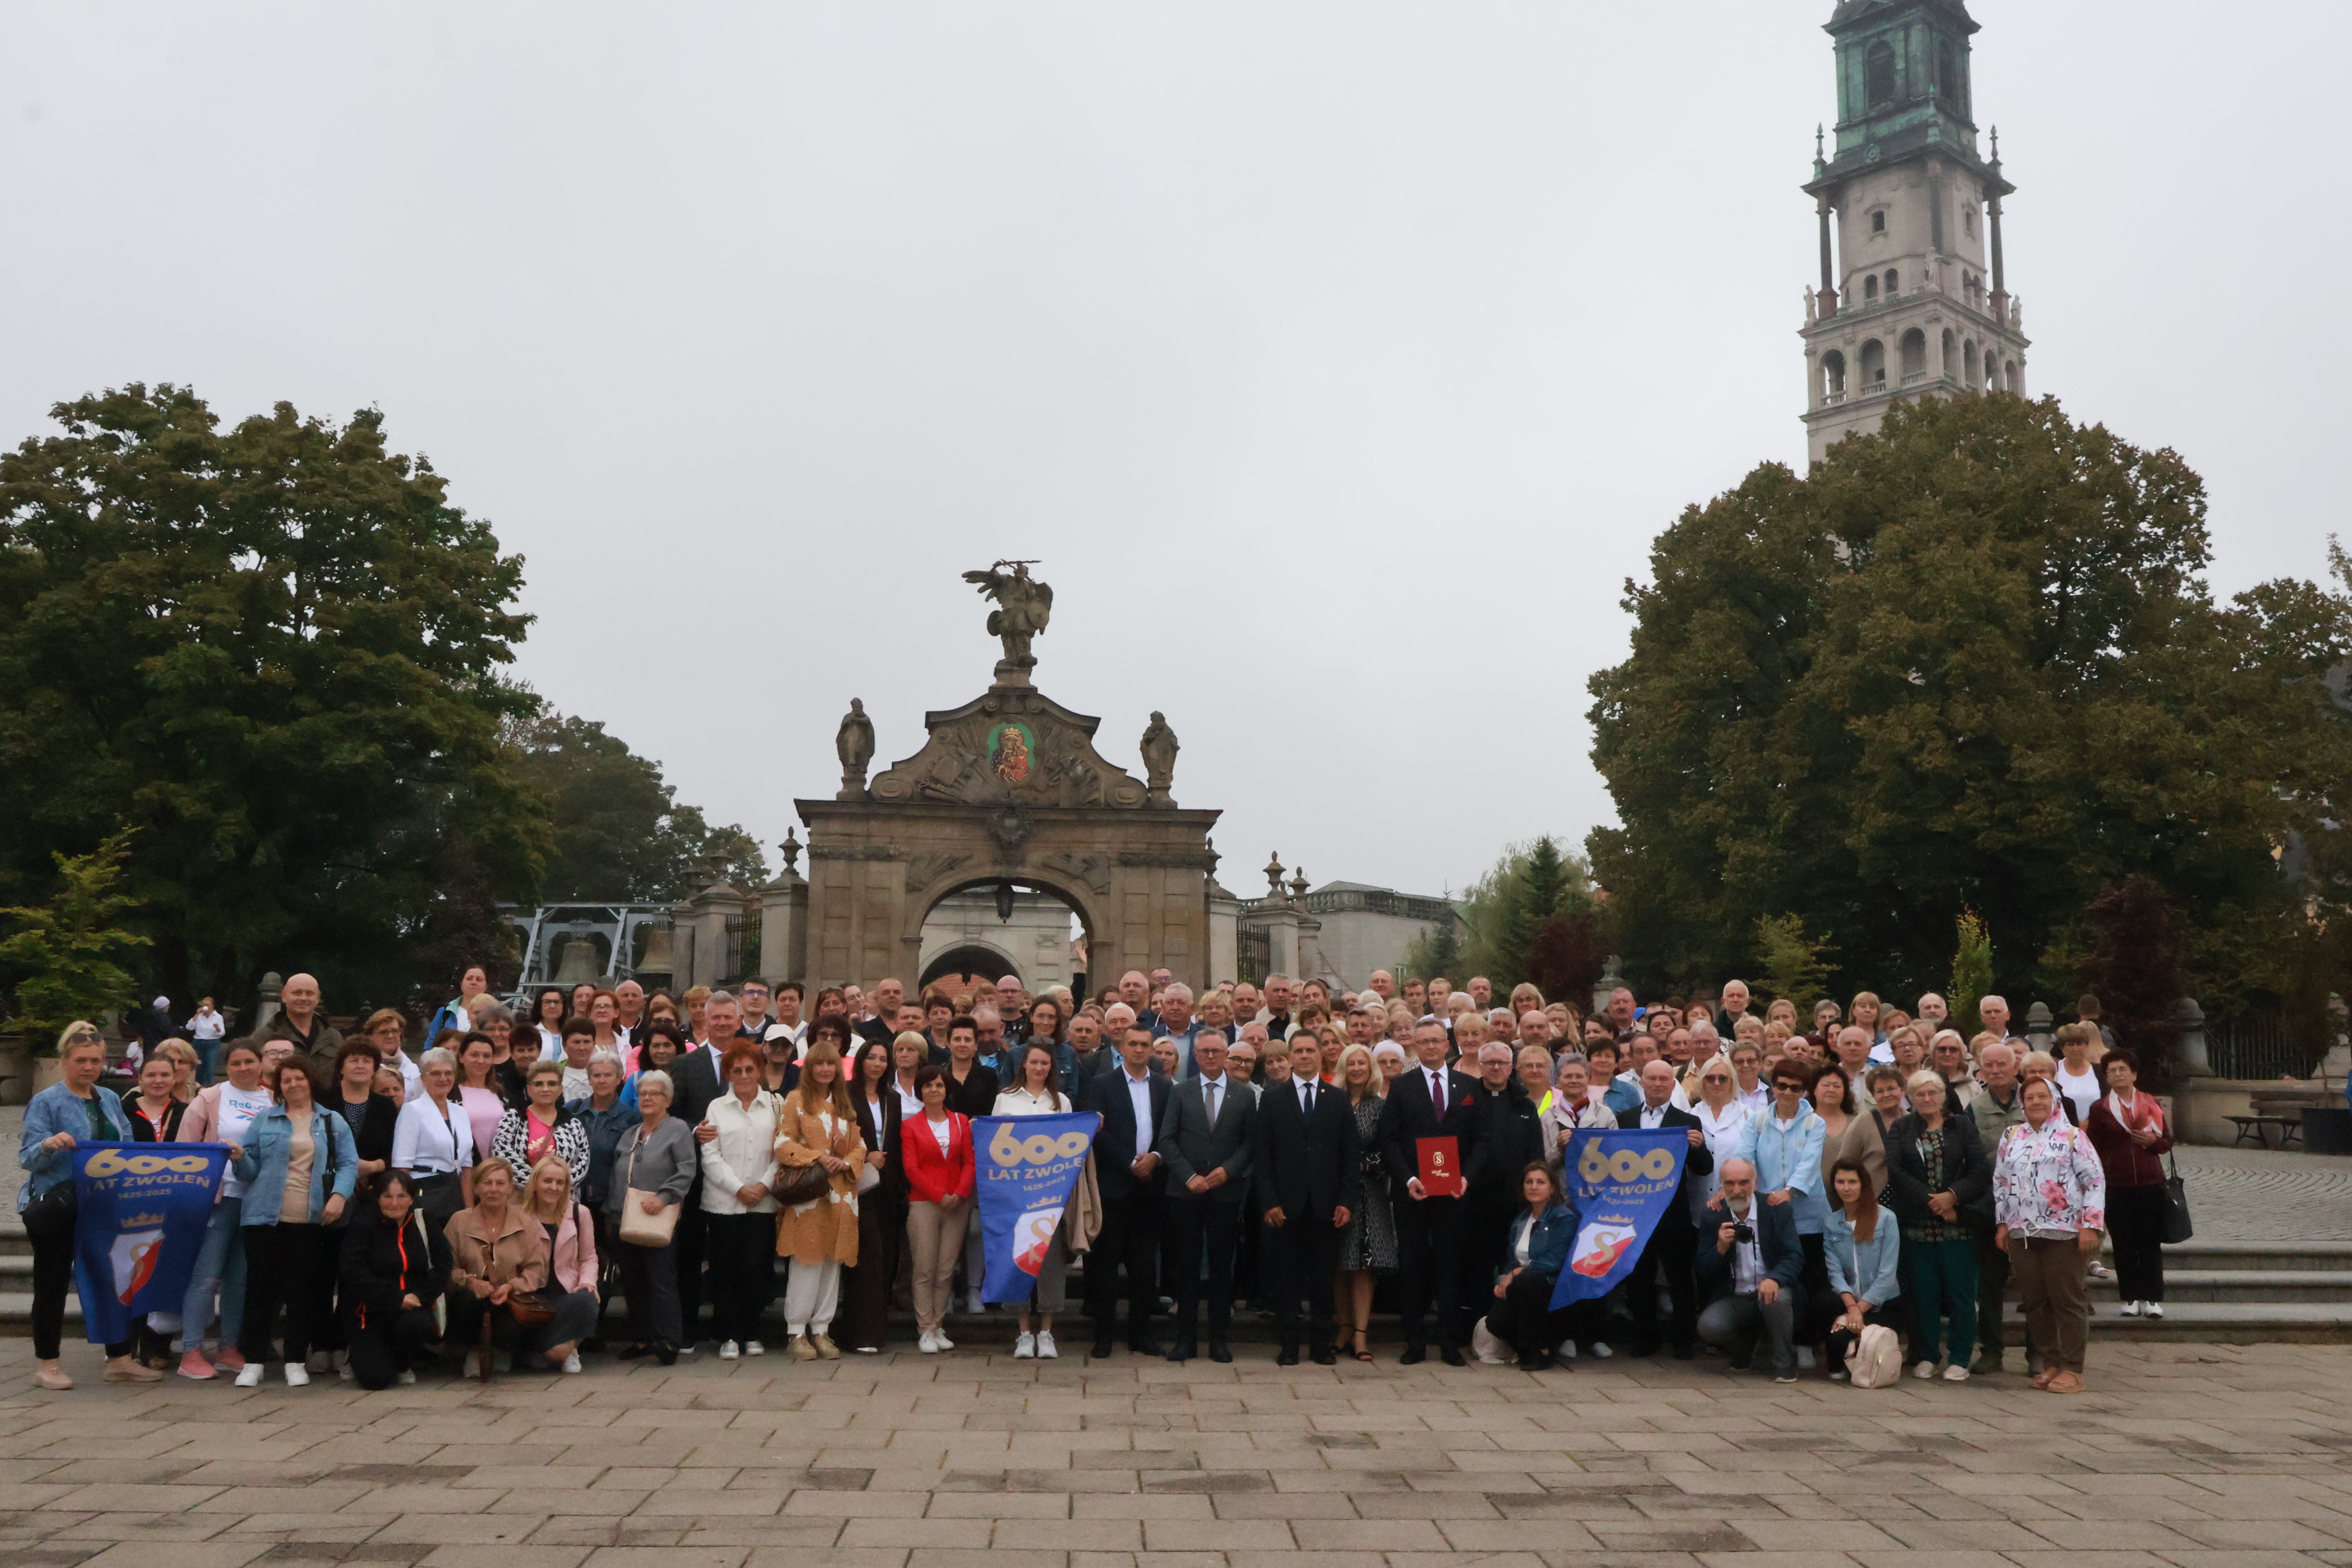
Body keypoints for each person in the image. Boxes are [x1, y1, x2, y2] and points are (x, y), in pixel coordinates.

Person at [19, 1025, 149, 1390]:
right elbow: (27, 1157)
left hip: (105, 1205)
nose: (89, 1067)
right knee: (52, 1283)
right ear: (64, 1062)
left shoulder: (109, 1098)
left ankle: (120, 1357)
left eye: (96, 1060)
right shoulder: (46, 1101)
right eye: (81, 1061)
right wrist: (50, 1144)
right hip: (59, 1204)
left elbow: (128, 1148)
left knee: (114, 1279)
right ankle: (48, 1364)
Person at [229, 1055, 359, 1388]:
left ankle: (295, 1359)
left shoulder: (332, 1121)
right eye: (286, 1080)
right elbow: (249, 1171)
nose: (293, 1085)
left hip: (313, 1218)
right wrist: (241, 1158)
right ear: (279, 1086)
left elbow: (348, 1164)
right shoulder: (264, 1120)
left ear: (310, 1081)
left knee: (304, 1291)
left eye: (299, 1078)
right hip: (265, 1218)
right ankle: (254, 1361)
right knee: (261, 1292)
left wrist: (339, 1196)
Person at [1252, 1030, 1363, 1366]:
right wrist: (1269, 1202)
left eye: (1309, 1050)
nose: (1304, 1056)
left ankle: (1320, 1345)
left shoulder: (1337, 1098)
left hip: (1327, 1206)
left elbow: (1350, 1154)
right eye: (1297, 1051)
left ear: (1320, 1055)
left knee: (1322, 1281)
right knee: (1286, 1280)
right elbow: (1263, 1156)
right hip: (1285, 1206)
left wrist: (1346, 1201)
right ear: (1290, 1057)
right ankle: (1288, 1345)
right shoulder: (1273, 1099)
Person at [1376, 1019, 1479, 1365]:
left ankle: (1450, 1342)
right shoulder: (1401, 1086)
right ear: (1415, 1047)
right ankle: (1415, 1341)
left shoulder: (1469, 1086)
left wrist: (1466, 1177)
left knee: (1451, 1266)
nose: (1432, 1047)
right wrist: (1407, 1179)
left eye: (1437, 1041)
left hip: (1455, 1193)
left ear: (1448, 1045)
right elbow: (1388, 1139)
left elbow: (1481, 1140)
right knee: (1414, 1267)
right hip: (1414, 1193)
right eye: (1424, 1042)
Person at [1994, 1076, 2106, 1393]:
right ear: (2022, 1101)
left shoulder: (2073, 1137)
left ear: (2054, 1099)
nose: (2037, 1102)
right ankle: (2052, 1362)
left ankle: (2073, 1368)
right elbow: (2001, 1182)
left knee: (2067, 1299)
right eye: (2030, 1097)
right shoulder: (2011, 1135)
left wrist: (2091, 1225)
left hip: (2066, 1232)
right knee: (2035, 1301)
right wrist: (2002, 1223)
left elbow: (2095, 1182)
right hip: (2022, 1232)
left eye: (2043, 1096)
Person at [1157, 1029, 1256, 1363]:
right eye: (1205, 1052)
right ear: (1195, 1056)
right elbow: (1167, 1140)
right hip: (1185, 1192)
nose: (1211, 1056)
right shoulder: (1181, 1093)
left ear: (1227, 1055)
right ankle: (1185, 1338)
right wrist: (1190, 1176)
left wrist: (1228, 1171)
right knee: (1185, 1267)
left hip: (1226, 1193)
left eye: (1217, 1051)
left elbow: (1249, 1143)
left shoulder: (1244, 1096)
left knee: (1220, 1268)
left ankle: (1218, 1338)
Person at [1887, 1070, 1989, 1380]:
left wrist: (1953, 1197)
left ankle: (1960, 1356)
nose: (1927, 1099)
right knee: (1924, 1295)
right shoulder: (1901, 1129)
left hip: (1957, 1225)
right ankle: (1928, 1354)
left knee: (1961, 1294)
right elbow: (1895, 1170)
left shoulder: (1962, 1126)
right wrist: (1931, 1199)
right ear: (1911, 1098)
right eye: (1920, 1094)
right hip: (1917, 1225)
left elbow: (1980, 1170)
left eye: (1933, 1093)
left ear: (1944, 1095)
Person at [1083, 1023, 1169, 1358]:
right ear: (1122, 1046)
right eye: (1132, 1044)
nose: (1138, 1050)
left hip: (1151, 1187)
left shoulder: (1164, 1087)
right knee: (1106, 1266)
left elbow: (1169, 1129)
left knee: (1144, 1267)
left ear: (1151, 1050)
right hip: (1115, 1186)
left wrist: (1156, 1158)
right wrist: (1129, 1162)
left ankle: (1141, 1334)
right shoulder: (1103, 1084)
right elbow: (1096, 1130)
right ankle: (1104, 1335)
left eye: (1144, 1045)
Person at [775, 1041, 865, 1360]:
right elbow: (784, 1144)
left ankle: (822, 1329)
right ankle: (796, 1331)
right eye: (819, 1063)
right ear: (809, 1067)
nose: (825, 1069)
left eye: (831, 1064)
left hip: (841, 1194)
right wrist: (819, 1158)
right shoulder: (797, 1101)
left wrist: (848, 1161)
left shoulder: (845, 1104)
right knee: (807, 1261)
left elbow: (861, 1145)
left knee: (831, 1262)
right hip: (810, 1196)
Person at [1734, 1062, 1830, 1359]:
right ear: (1773, 1086)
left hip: (1808, 1214)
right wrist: (1738, 1190)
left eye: (1796, 1087)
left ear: (1806, 1091)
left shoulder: (1816, 1123)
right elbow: (1744, 1156)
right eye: (1782, 1085)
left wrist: (1790, 1192)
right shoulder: (1758, 1120)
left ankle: (1804, 1343)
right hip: (1771, 1215)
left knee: (1811, 1283)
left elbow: (1810, 1163)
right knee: (1780, 1276)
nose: (1788, 1092)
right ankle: (1771, 1341)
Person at [1618, 1060, 1713, 1361]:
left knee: (1680, 1279)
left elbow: (1705, 1169)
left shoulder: (1687, 1121)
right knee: (1639, 1277)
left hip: (1673, 1213)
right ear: (1642, 1083)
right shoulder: (1625, 1119)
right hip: (1635, 1213)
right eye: (1652, 1079)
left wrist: (1698, 1148)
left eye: (1664, 1079)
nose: (1658, 1084)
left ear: (1674, 1085)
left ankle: (1684, 1340)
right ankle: (1646, 1338)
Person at [995, 1040, 1084, 1358]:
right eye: (1034, 1062)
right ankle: (1023, 1333)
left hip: (1051, 1195)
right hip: (1016, 1196)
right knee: (1019, 1260)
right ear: (1024, 1065)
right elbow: (995, 1145)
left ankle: (1046, 1332)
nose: (1039, 1068)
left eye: (1045, 1064)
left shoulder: (1061, 1102)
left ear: (1052, 1068)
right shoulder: (1004, 1100)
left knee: (1049, 1264)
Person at [694, 1043, 783, 1360]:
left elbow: (782, 1151)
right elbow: (711, 1155)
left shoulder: (776, 1105)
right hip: (724, 1204)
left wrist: (762, 1185)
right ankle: (729, 1335)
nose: (744, 1076)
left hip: (763, 1202)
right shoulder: (716, 1107)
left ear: (760, 1071)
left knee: (756, 1269)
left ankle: (752, 1332)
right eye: (737, 1070)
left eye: (750, 1069)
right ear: (728, 1074)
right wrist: (738, 1188)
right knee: (726, 1269)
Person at [608, 1069, 697, 1363]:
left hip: (659, 1216)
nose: (646, 1098)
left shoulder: (677, 1129)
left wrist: (663, 1197)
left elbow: (686, 1168)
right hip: (626, 1217)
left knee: (661, 1279)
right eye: (642, 1093)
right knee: (633, 1280)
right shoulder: (631, 1133)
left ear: (668, 1099)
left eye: (654, 1093)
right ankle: (643, 1339)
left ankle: (669, 1341)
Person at [1695, 1158, 1805, 1382]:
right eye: (1730, 1184)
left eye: (1744, 1183)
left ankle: (1786, 1363)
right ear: (1722, 1186)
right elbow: (1703, 1271)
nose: (1737, 1190)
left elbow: (1795, 1256)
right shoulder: (1713, 1215)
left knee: (1775, 1298)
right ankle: (1743, 1349)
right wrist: (1720, 1248)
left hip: (1772, 1291)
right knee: (1708, 1326)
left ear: (1755, 1184)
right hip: (1736, 1296)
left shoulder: (1776, 1210)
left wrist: (1774, 1278)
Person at [339, 1171, 450, 1388]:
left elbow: (443, 1265)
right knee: (376, 1381)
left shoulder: (424, 1221)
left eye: (402, 1196)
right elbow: (353, 1273)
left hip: (412, 1307)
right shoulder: (363, 1225)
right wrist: (395, 1298)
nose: (395, 1203)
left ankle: (403, 1363)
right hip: (370, 1312)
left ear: (412, 1198)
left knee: (417, 1323)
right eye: (388, 1196)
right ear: (378, 1198)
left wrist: (421, 1296)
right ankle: (360, 1354)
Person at [1462, 1041, 1544, 1331]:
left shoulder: (1524, 1103)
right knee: (1476, 1269)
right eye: (1490, 1063)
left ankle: (1513, 1327)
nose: (1496, 1068)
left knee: (1514, 1267)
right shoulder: (1466, 1099)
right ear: (1480, 1066)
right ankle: (1475, 1329)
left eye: (1502, 1063)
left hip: (1515, 1203)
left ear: (1512, 1068)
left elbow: (1536, 1154)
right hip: (1475, 1202)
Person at [2084, 1050, 2172, 1320]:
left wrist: (2153, 1143)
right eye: (2112, 1071)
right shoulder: (2100, 1109)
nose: (2118, 1074)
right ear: (2107, 1078)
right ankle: (2130, 1296)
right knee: (2123, 1242)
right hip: (2117, 1185)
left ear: (2134, 1074)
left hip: (2149, 1181)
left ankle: (2153, 1298)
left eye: (2123, 1069)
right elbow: (2094, 1147)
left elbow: (2167, 1142)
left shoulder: (2151, 1104)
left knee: (2149, 1242)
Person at [445, 1156, 554, 1374]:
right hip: (469, 1296)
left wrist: (512, 1286)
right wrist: (470, 1282)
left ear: (510, 1187)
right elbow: (446, 1267)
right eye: (487, 1183)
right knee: (467, 1304)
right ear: (476, 1188)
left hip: (509, 1295)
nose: (493, 1189)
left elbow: (537, 1269)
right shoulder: (459, 1221)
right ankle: (470, 1351)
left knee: (509, 1325)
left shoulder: (525, 1223)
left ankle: (502, 1351)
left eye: (500, 1183)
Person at [841, 1033, 909, 1354]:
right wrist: (865, 1156)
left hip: (887, 1188)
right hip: (856, 1184)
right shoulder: (845, 1096)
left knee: (885, 1259)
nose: (878, 1064)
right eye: (873, 1058)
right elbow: (838, 1138)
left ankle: (876, 1331)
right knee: (866, 1259)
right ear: (862, 1060)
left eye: (883, 1059)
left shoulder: (892, 1099)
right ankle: (859, 1334)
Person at [1330, 1042, 1396, 1364]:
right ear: (1343, 1068)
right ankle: (1342, 1329)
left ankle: (1360, 1335)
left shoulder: (1380, 1106)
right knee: (1338, 1265)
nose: (1357, 1068)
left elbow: (1388, 1151)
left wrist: (1358, 1165)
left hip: (1368, 1194)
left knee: (1362, 1267)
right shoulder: (1331, 1102)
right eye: (1351, 1063)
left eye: (1363, 1063)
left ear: (1371, 1069)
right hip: (1333, 1194)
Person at [903, 1065, 976, 1354]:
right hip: (924, 1202)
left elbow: (970, 1162)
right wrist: (938, 1195)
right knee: (924, 1268)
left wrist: (959, 1193)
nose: (934, 1090)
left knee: (945, 1270)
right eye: (928, 1086)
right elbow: (911, 1168)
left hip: (957, 1203)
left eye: (939, 1085)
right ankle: (925, 1328)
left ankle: (938, 1324)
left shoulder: (960, 1121)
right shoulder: (910, 1126)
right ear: (920, 1091)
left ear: (947, 1090)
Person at [1483, 1163, 1580, 1371]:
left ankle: (1533, 1353)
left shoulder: (1563, 1218)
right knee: (1495, 1323)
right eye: (1529, 1182)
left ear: (1553, 1188)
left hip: (1550, 1286)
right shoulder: (1520, 1220)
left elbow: (1555, 1260)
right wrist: (1503, 1281)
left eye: (1541, 1182)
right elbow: (1511, 1261)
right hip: (1521, 1288)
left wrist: (1517, 1274)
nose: (1534, 1187)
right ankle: (1539, 1347)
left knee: (1526, 1282)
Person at [1821, 1158, 1900, 1382]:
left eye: (1852, 1182)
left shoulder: (1886, 1219)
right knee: (1833, 1334)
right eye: (1841, 1182)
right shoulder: (1831, 1223)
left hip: (1882, 1305)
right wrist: (1851, 1308)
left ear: (1863, 1184)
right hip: (1849, 1301)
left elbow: (1887, 1275)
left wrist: (1858, 1311)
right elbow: (1835, 1273)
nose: (1846, 1188)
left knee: (1861, 1338)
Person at [394, 1046, 478, 1231]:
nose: (443, 1078)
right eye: (436, 1073)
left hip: (454, 1194)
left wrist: (470, 1209)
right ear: (424, 1078)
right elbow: (402, 1166)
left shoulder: (461, 1113)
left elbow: (467, 1166)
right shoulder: (413, 1111)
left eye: (448, 1073)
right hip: (424, 1192)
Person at [492, 1061, 592, 1192]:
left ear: (561, 1090)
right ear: (529, 1090)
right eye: (539, 1084)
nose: (546, 1089)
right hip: (523, 1201)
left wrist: (558, 1186)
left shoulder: (573, 1124)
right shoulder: (514, 1118)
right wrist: (539, 1185)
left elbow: (583, 1163)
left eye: (552, 1084)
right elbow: (502, 1154)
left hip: (563, 1200)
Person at [263, 973, 345, 1074]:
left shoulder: (333, 1037)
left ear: (318, 998)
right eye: (297, 993)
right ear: (284, 996)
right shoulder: (265, 1037)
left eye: (310, 994)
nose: (303, 998)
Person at [454, 1033, 512, 1156]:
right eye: (475, 1055)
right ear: (461, 1057)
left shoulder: (501, 1093)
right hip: (464, 1167)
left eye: (487, 1056)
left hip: (496, 1168)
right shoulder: (451, 1093)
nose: (481, 1061)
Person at [122, 1053, 187, 1142]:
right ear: (140, 1080)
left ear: (174, 1079)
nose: (158, 1081)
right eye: (151, 1075)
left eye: (165, 1075)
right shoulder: (123, 1110)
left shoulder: (186, 1112)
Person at [2052, 1023, 2104, 1125]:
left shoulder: (2099, 1072)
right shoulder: (2055, 1070)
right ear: (2062, 1048)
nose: (2076, 1049)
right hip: (2062, 1131)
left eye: (2079, 1044)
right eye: (2071, 1045)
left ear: (2087, 1046)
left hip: (2094, 1131)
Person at [428, 965, 493, 1040]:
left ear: (486, 986)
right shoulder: (445, 1013)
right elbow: (430, 1046)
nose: (474, 982)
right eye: (469, 979)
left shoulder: (495, 1013)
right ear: (461, 984)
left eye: (479, 980)